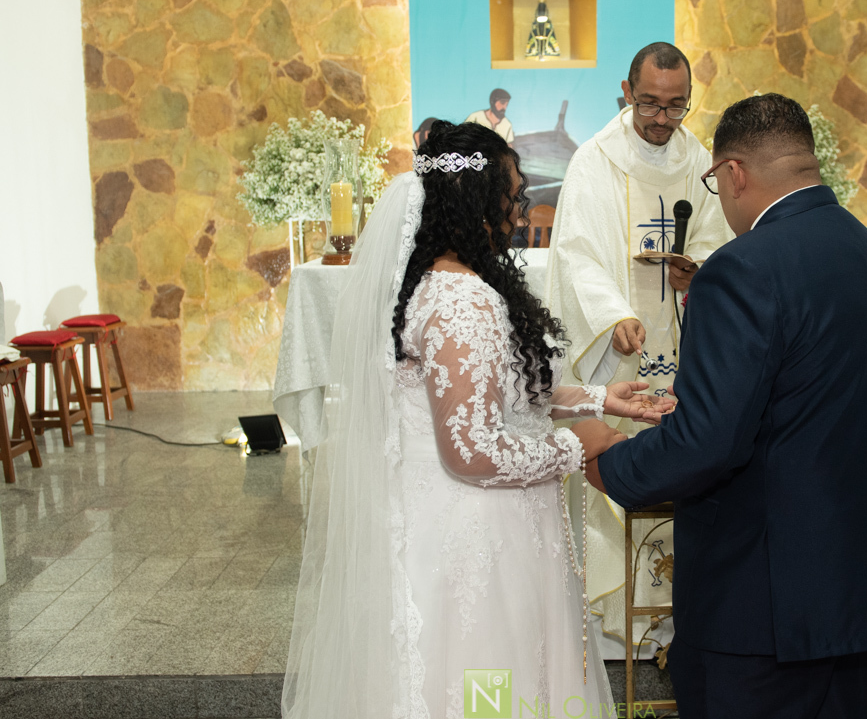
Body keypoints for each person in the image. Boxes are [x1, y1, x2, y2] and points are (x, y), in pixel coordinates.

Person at [282, 121, 674, 716]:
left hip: (475, 517)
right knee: (486, 683)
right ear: (477, 202)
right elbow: (471, 450)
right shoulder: (461, 301)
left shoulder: (444, 282)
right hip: (474, 533)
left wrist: (600, 400)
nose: (520, 211)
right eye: (511, 196)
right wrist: (577, 447)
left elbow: (497, 391)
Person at [589, 93, 867, 719]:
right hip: (863, 582)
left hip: (765, 599)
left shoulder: (741, 269)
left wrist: (608, 463)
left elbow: (709, 442)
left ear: (733, 172)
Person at [545, 41, 732, 653]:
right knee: (619, 463)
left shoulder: (698, 159)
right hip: (620, 350)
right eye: (649, 103)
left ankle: (678, 613)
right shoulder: (595, 160)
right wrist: (613, 315)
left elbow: (719, 234)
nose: (661, 118)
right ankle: (615, 619)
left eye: (676, 106)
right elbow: (577, 254)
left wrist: (696, 267)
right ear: (627, 93)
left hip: (681, 346)